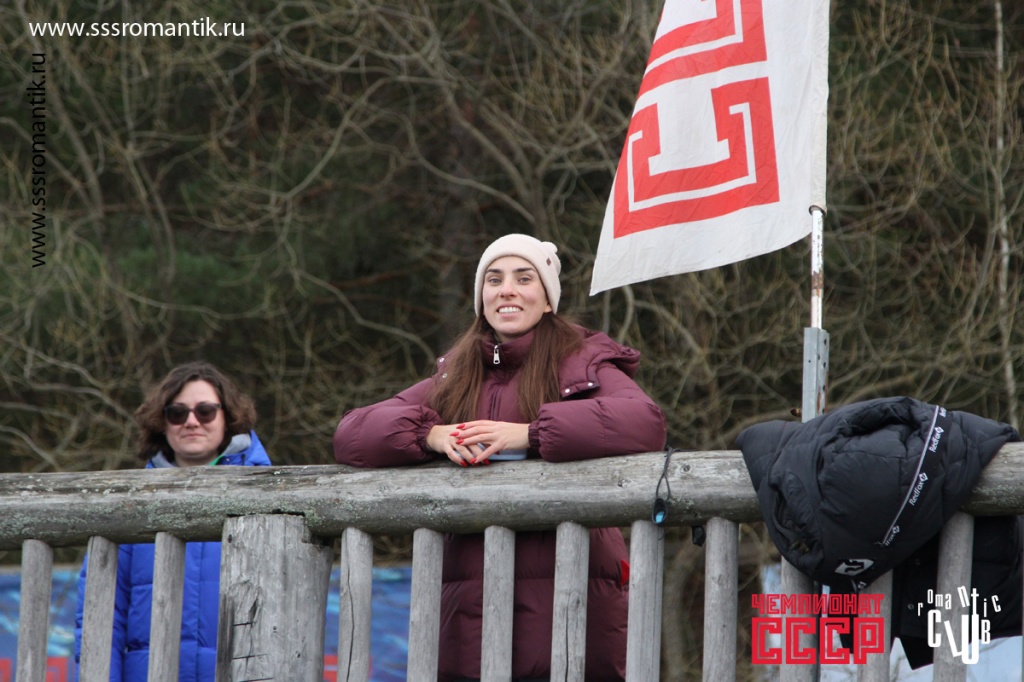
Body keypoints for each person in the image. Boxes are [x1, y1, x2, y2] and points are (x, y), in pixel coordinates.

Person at [333, 233, 667, 681]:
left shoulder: (582, 363)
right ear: (481, 299)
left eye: (523, 278)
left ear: (547, 300)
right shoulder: (454, 376)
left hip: (571, 600)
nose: (506, 290)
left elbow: (644, 421)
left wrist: (530, 434)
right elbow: (352, 433)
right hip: (469, 606)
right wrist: (430, 435)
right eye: (494, 280)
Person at [73, 361, 271, 682]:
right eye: (177, 413)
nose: (191, 421)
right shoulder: (127, 505)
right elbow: (100, 618)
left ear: (228, 417)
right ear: (162, 423)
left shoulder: (269, 498)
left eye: (205, 411)